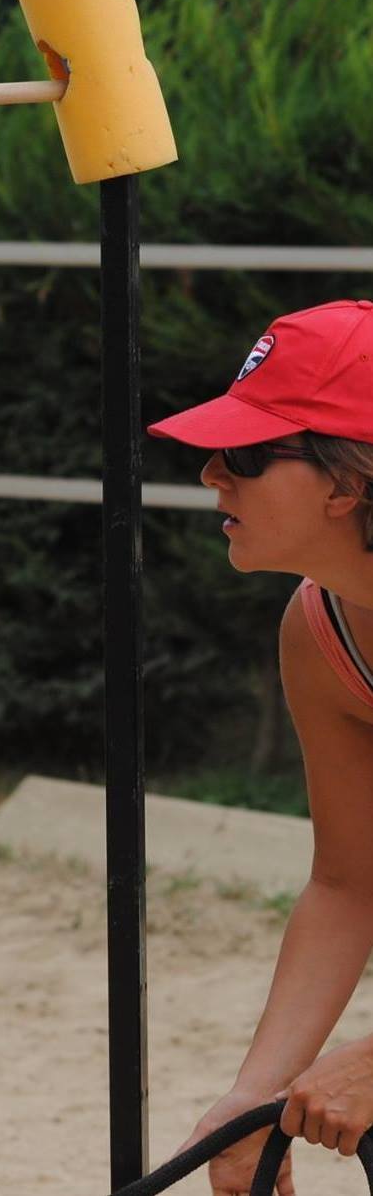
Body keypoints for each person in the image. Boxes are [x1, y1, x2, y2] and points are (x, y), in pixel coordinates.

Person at [150, 300, 373, 1196]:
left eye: (245, 454)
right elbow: (348, 885)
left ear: (345, 480)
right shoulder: (319, 629)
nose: (211, 474)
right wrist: (250, 1103)